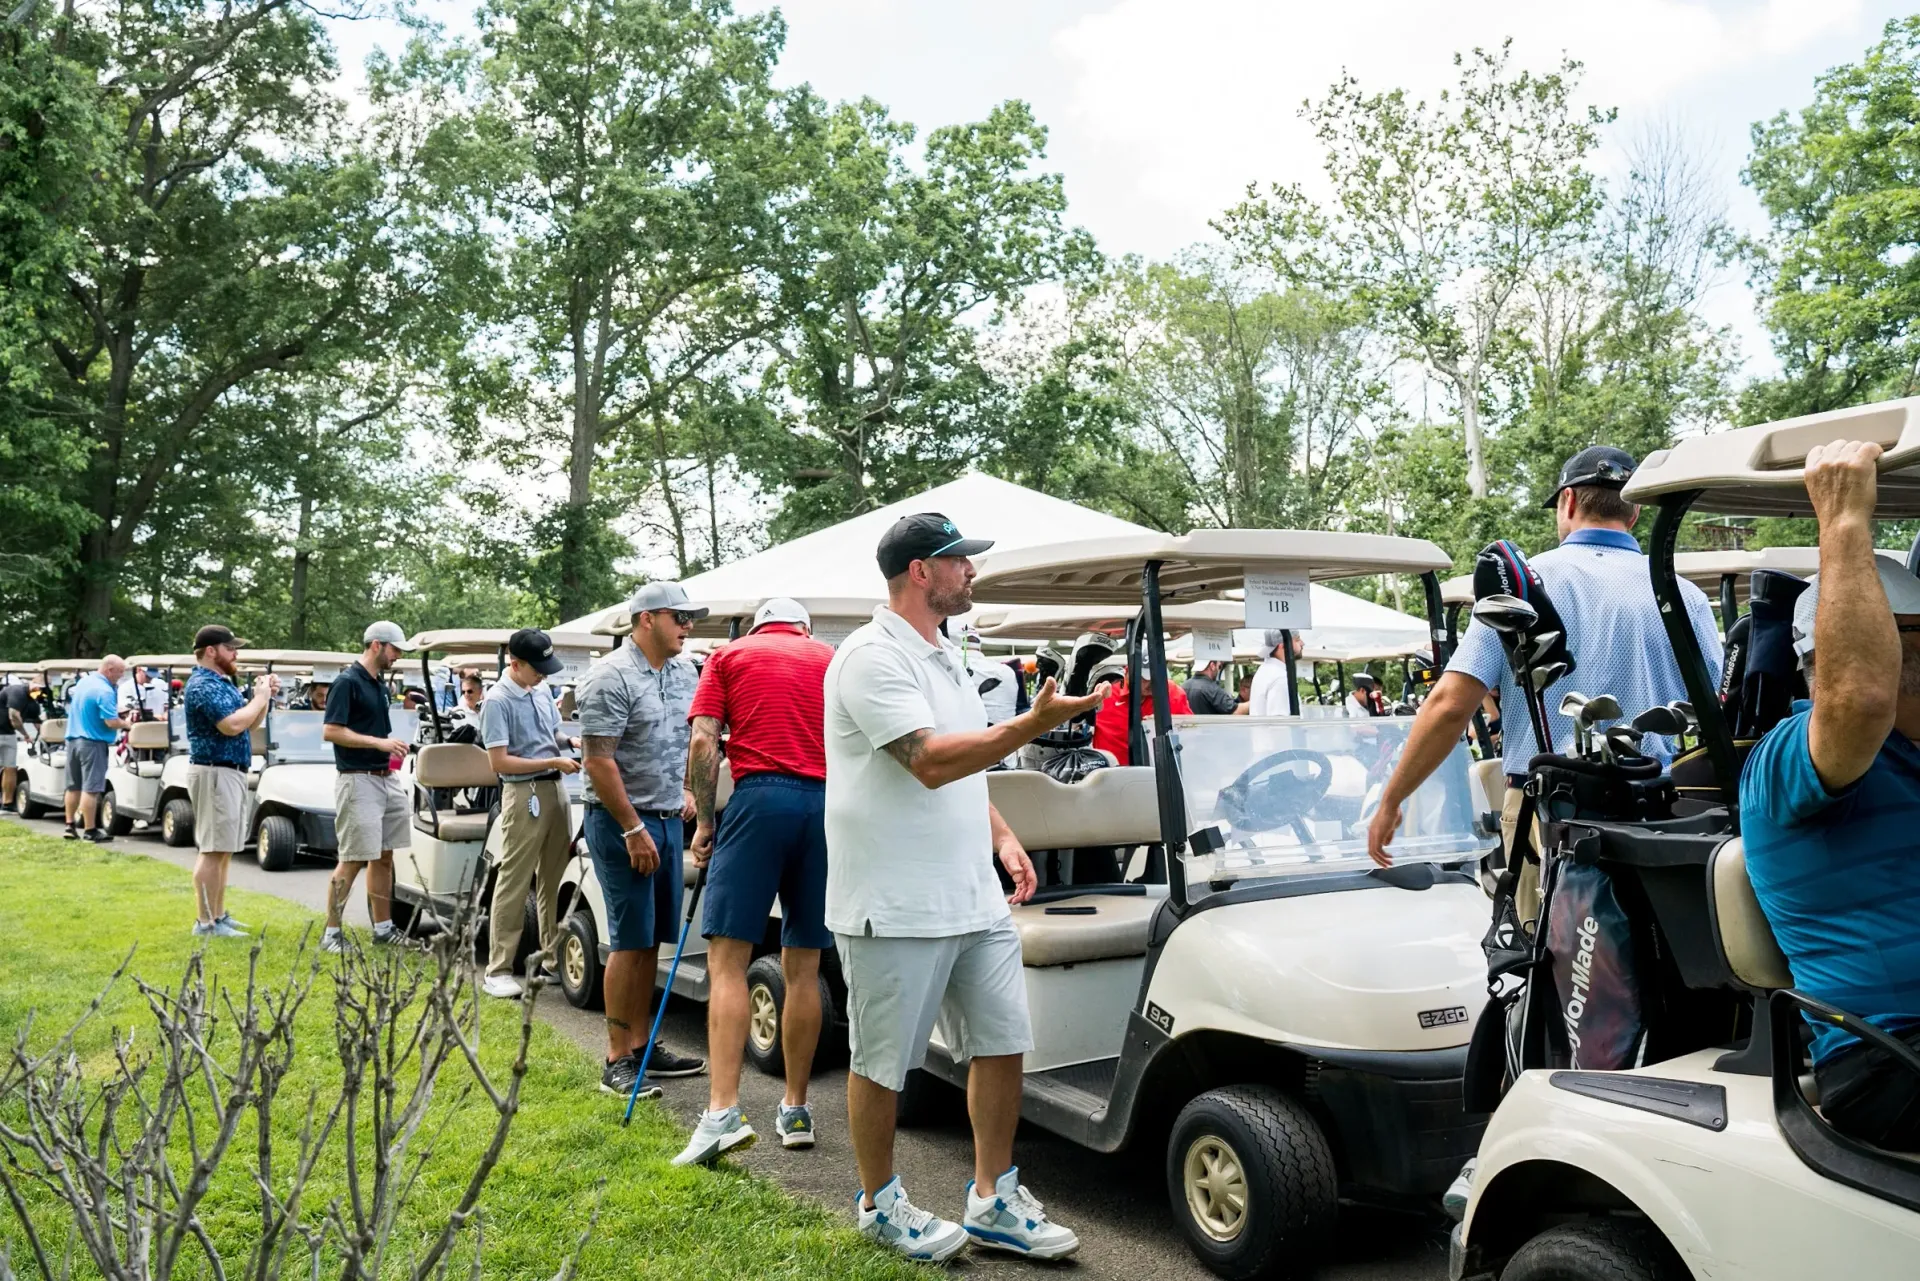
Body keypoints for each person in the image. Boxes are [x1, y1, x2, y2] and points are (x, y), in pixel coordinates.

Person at [824, 512, 1100, 1262]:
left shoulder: (945, 656)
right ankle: (878, 1203)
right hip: (893, 900)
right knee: (883, 1059)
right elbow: (931, 759)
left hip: (969, 894)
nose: (972, 571)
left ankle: (991, 1197)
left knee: (1003, 1039)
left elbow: (964, 773)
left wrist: (1003, 835)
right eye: (960, 560)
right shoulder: (867, 657)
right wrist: (1027, 726)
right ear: (921, 571)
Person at [1367, 446, 1723, 881]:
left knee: (1540, 943)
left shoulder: (1522, 586)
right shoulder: (1684, 595)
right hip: (1656, 812)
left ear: (1568, 501)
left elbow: (1450, 705)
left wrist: (1392, 801)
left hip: (1549, 813)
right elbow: (1714, 705)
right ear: (1632, 514)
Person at [1742, 438, 1920, 1151]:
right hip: (1882, 1058)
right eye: (1906, 645)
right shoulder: (1788, 757)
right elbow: (1861, 697)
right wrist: (1843, 521)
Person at [675, 596, 836, 1165]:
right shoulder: (831, 657)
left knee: (727, 961)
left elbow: (703, 741)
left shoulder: (729, 655)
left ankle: (721, 1112)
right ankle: (795, 1107)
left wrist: (707, 822)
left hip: (760, 797)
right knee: (805, 965)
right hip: (825, 808)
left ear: (758, 624)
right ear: (804, 627)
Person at [578, 582, 709, 1098]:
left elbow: (687, 739)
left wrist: (684, 789)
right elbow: (598, 761)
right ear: (647, 619)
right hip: (621, 822)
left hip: (665, 819)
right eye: (680, 616)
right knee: (629, 941)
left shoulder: (685, 671)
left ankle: (641, 1044)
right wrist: (633, 828)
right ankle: (616, 1058)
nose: (688, 626)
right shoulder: (609, 677)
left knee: (652, 938)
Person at [478, 629, 580, 999]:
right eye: (537, 668)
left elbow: (552, 733)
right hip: (524, 793)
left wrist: (570, 742)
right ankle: (498, 968)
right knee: (515, 879)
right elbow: (499, 760)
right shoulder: (497, 701)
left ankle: (551, 960)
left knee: (553, 876)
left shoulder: (539, 690)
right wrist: (552, 759)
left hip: (555, 788)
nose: (544, 674)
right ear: (514, 663)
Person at [320, 622, 414, 953]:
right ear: (376, 645)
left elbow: (378, 736)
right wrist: (378, 743)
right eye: (395, 649)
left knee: (385, 856)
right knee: (354, 858)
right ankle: (331, 934)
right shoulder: (346, 682)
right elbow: (331, 731)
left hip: (383, 778)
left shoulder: (379, 685)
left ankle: (384, 928)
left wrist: (389, 751)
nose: (398, 656)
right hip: (357, 779)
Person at [183, 626, 276, 936]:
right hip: (214, 771)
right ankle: (205, 922)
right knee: (212, 848)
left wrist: (264, 700)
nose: (236, 653)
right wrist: (258, 697)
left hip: (229, 770)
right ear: (211, 651)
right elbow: (232, 725)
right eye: (230, 648)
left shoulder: (221, 683)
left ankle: (218, 916)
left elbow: (250, 723)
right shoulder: (202, 685)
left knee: (223, 848)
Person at [63, 656, 127, 842]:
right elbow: (111, 722)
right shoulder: (105, 690)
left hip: (73, 739)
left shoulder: (85, 682)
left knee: (73, 786)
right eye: (119, 672)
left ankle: (69, 826)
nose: (120, 677)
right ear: (109, 669)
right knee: (91, 788)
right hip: (93, 743)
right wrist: (127, 724)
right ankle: (90, 830)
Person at [1090, 657, 1191, 765]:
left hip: (1159, 773)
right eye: (1146, 677)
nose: (1153, 681)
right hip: (1113, 773)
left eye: (1157, 675)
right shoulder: (1106, 693)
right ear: (1129, 671)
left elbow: (1190, 731)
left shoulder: (1173, 693)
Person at [2, 676, 40, 812]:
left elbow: (38, 722)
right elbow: (14, 717)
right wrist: (25, 734)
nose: (38, 691)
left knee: (10, 768)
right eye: (36, 687)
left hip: (9, 735)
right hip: (4, 731)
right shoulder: (17, 691)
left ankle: (7, 803)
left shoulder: (33, 703)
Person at [1246, 630, 1304, 716]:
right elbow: (1280, 724)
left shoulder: (1265, 671)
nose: (1302, 643)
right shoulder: (1280, 678)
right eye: (1297, 640)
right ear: (1282, 645)